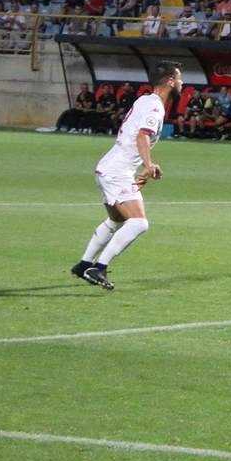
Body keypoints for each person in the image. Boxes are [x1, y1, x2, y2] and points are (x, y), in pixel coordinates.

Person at [74, 62, 182, 291]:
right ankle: (99, 268)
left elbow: (136, 135)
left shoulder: (145, 100)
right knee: (139, 223)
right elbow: (142, 135)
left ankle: (84, 264)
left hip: (110, 167)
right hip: (116, 172)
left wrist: (144, 165)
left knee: (116, 220)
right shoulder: (155, 107)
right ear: (171, 81)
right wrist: (149, 164)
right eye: (179, 78)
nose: (182, 83)